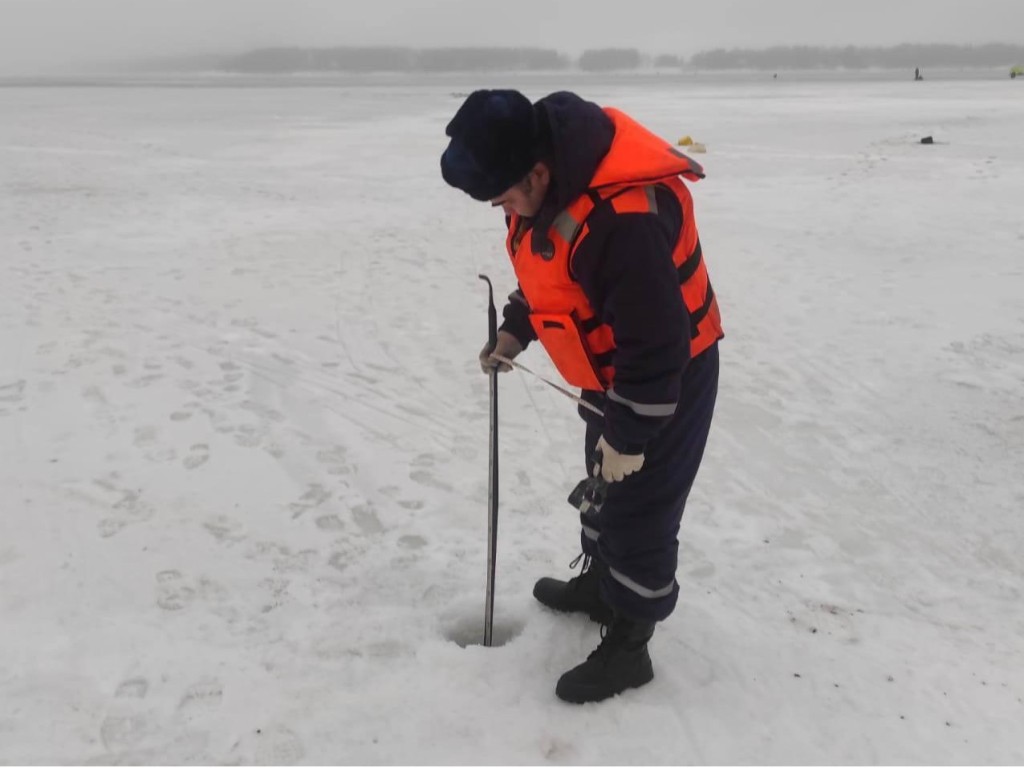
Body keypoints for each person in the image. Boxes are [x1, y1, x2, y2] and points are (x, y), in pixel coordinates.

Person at [440, 89, 723, 703]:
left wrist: (631, 433)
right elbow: (552, 278)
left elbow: (656, 346)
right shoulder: (551, 188)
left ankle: (630, 644)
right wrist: (516, 331)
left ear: (537, 172)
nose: (505, 210)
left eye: (506, 197)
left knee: (639, 508)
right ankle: (602, 586)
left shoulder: (624, 222)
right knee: (602, 487)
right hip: (613, 374)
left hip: (666, 378)